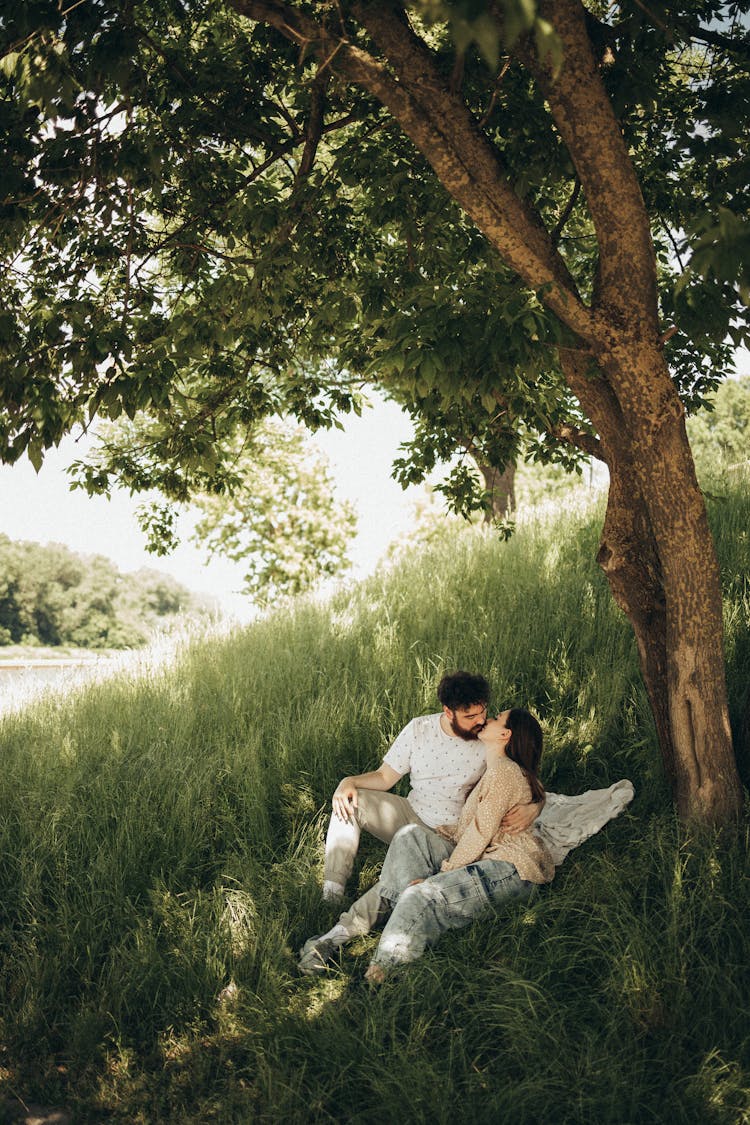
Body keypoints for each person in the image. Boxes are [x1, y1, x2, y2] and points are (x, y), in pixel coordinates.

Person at [319, 671, 542, 932]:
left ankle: (360, 926)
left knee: (394, 883)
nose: (481, 720)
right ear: (449, 712)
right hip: (410, 811)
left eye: (484, 712)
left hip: (448, 833)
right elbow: (384, 776)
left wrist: (535, 805)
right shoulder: (419, 729)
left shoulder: (489, 740)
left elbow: (523, 777)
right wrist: (349, 781)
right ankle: (331, 893)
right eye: (470, 716)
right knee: (348, 801)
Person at [362, 708, 554, 982]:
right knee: (410, 837)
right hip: (490, 857)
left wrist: (445, 873)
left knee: (424, 895)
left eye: (496, 717)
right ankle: (404, 914)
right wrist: (449, 832)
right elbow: (479, 823)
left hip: (511, 870)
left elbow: (480, 832)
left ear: (505, 734)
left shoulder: (503, 772)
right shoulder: (498, 770)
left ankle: (383, 970)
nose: (487, 719)